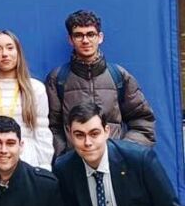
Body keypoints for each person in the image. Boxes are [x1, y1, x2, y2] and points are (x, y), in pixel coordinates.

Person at [53, 102, 184, 206]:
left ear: (106, 132)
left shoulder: (140, 160)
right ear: (69, 134)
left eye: (94, 134)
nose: (87, 143)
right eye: (79, 135)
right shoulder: (64, 169)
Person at [46, 10, 155, 158]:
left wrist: (121, 152)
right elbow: (50, 127)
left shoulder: (119, 76)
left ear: (100, 37)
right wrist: (67, 156)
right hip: (75, 168)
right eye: (78, 35)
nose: (85, 40)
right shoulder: (57, 78)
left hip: (117, 167)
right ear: (70, 40)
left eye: (91, 34)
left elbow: (143, 122)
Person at [0, 30, 53, 169]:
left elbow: (42, 131)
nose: (4, 54)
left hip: (27, 159)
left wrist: (45, 166)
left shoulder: (36, 88)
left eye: (10, 48)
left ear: (18, 53)